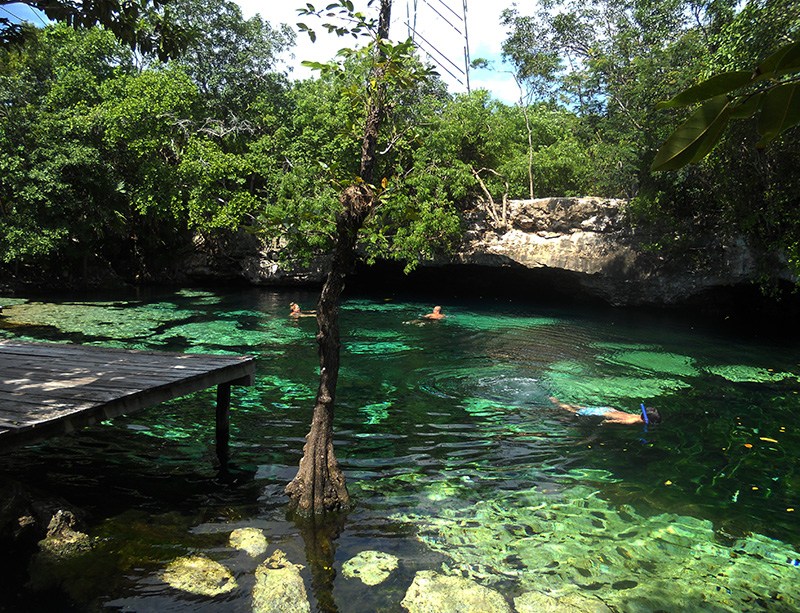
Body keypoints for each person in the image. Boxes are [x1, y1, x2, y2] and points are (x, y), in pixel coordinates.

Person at [549, 396, 661, 425]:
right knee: (574, 412)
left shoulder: (636, 415)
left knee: (582, 408)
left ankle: (564, 402)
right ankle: (557, 403)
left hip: (608, 409)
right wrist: (601, 424)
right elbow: (609, 422)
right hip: (601, 413)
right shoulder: (630, 422)